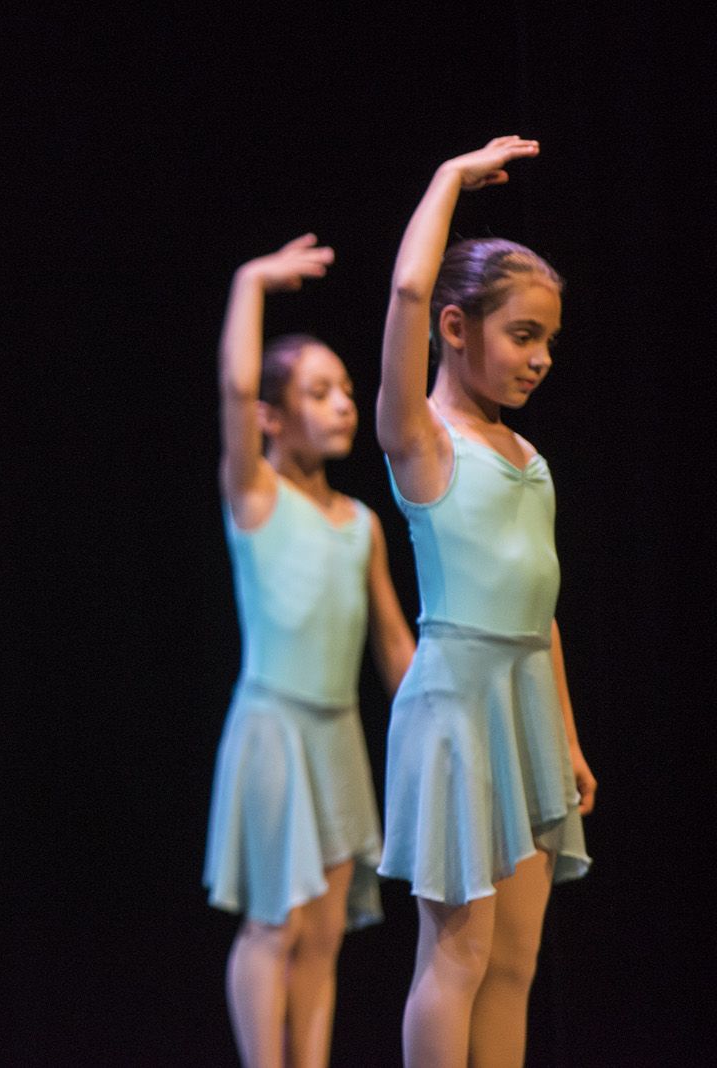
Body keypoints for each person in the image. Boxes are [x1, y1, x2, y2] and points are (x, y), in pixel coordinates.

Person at [375, 137, 595, 1067]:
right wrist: (447, 181)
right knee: (458, 952)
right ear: (457, 328)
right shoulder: (424, 441)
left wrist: (567, 737)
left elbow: (540, 614)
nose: (539, 359)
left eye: (549, 342)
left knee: (515, 959)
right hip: (458, 712)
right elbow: (407, 291)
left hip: (525, 713)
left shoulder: (529, 460)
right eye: (522, 335)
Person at [205, 235, 416, 1067]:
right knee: (276, 924)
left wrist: (439, 729)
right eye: (319, 393)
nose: (343, 406)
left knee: (325, 930)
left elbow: (394, 644)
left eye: (347, 392)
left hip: (337, 740)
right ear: (271, 416)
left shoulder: (360, 523)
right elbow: (233, 384)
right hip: (274, 730)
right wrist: (250, 282)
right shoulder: (256, 495)